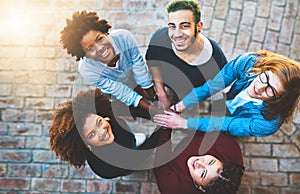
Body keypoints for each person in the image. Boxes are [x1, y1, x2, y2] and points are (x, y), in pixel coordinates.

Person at [153, 50, 300, 136]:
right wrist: (178, 107)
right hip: (229, 99)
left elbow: (225, 124)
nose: (260, 87)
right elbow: (211, 86)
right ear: (267, 68)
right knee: (221, 105)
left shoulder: (267, 124)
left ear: (280, 99)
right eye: (265, 77)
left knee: (229, 128)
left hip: (241, 118)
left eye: (271, 90)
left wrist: (183, 123)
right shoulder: (249, 62)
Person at [60, 10, 158, 119]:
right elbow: (121, 91)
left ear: (105, 33)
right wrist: (152, 109)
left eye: (100, 39)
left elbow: (139, 68)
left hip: (135, 77)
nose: (100, 48)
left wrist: (155, 98)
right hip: (116, 92)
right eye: (91, 48)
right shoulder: (87, 69)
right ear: (84, 54)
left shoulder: (124, 38)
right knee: (138, 110)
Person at [49, 89, 163, 179]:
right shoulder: (104, 167)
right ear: (85, 145)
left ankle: (134, 139)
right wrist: (162, 128)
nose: (102, 131)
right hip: (129, 162)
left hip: (127, 138)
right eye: (91, 135)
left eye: (99, 122)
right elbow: (142, 154)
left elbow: (131, 109)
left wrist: (154, 114)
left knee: (132, 140)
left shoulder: (106, 113)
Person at [145, 0, 227, 108]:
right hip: (169, 87)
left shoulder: (216, 59)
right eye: (172, 26)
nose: (177, 34)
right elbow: (152, 63)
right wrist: (161, 93)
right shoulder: (159, 39)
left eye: (184, 26)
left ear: (199, 27)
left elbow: (218, 89)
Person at [154, 128, 244, 194]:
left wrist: (165, 128)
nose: (199, 163)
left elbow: (161, 162)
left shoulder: (173, 189)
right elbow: (204, 130)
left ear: (201, 188)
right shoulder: (229, 147)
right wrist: (180, 124)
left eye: (203, 174)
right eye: (211, 162)